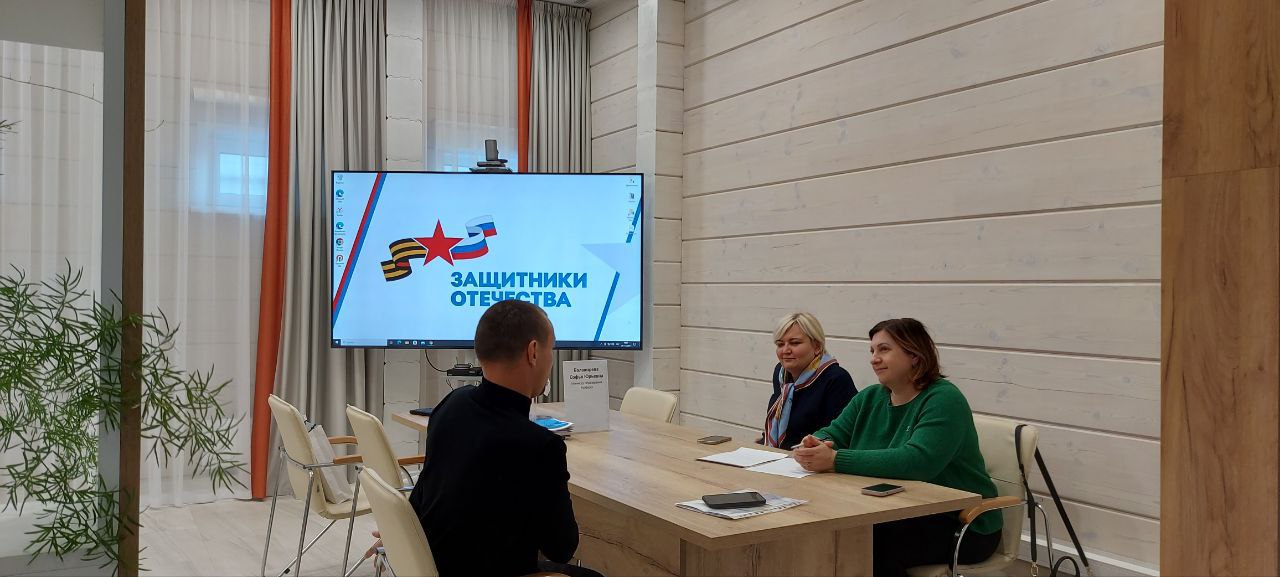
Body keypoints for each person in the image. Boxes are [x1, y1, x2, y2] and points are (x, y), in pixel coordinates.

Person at [792, 318, 1001, 577]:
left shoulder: (944, 399)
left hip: (962, 523)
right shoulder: (869, 397)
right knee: (834, 532)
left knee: (867, 543)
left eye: (884, 349)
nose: (874, 359)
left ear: (914, 355)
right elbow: (833, 433)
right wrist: (814, 444)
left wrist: (835, 459)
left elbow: (917, 461)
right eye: (872, 351)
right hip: (895, 510)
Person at [406, 300, 602, 577]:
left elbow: (424, 492)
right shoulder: (539, 446)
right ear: (533, 352)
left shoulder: (452, 404)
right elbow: (562, 547)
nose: (550, 360)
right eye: (551, 350)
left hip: (438, 562)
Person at [758, 312, 857, 450]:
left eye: (795, 343)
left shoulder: (836, 379)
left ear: (817, 347)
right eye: (780, 344)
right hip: (779, 456)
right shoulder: (780, 373)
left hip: (813, 459)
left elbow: (842, 438)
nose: (785, 350)